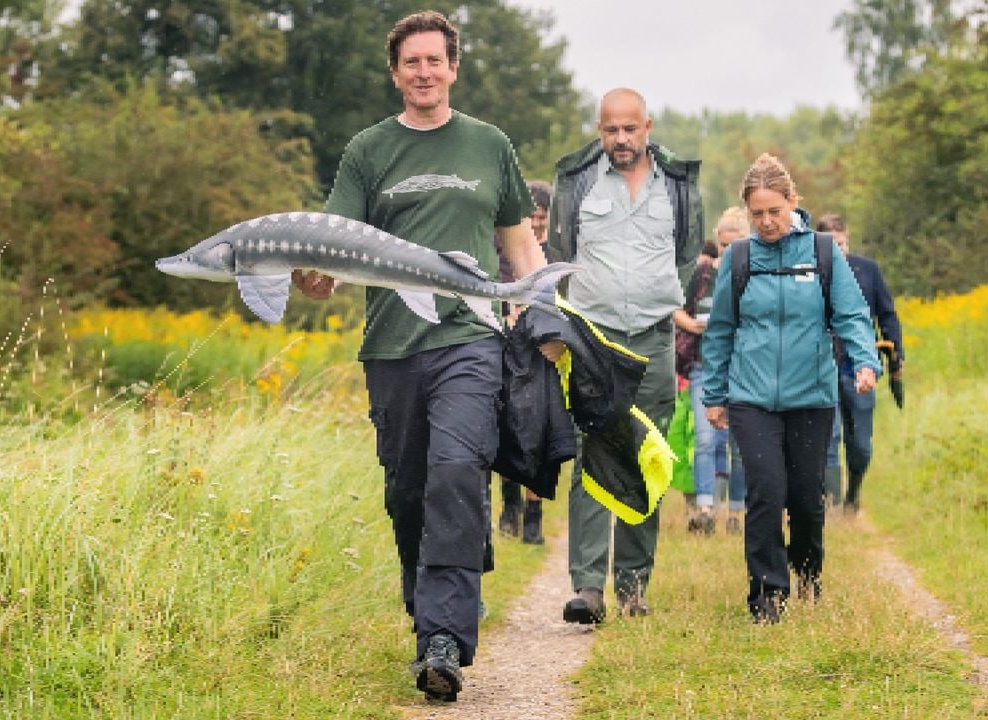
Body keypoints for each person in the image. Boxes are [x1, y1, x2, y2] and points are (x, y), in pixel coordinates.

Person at [291, 10, 548, 702]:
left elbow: (520, 244)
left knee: (457, 468)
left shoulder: (489, 145)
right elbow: (335, 244)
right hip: (392, 347)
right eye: (412, 63)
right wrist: (316, 279)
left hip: (469, 338)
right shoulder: (368, 151)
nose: (425, 72)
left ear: (453, 68)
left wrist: (536, 305)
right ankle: (443, 586)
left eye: (436, 61)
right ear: (396, 72)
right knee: (409, 492)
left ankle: (442, 640)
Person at [701, 153, 880, 624]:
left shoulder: (822, 253)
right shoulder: (739, 258)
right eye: (756, 214)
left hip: (811, 397)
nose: (765, 222)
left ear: (792, 203)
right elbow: (720, 329)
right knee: (765, 490)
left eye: (773, 211)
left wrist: (865, 361)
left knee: (804, 497)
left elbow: (852, 314)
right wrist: (715, 395)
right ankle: (766, 597)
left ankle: (807, 572)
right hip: (751, 398)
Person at [548, 88, 702, 623]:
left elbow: (687, 255)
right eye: (611, 129)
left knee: (648, 455)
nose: (621, 139)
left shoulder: (678, 187)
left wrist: (663, 298)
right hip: (595, 337)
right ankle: (587, 588)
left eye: (630, 129)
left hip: (654, 339)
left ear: (647, 127)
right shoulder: (578, 181)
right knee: (593, 451)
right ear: (600, 129)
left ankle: (634, 587)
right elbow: (559, 255)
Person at [815, 214, 905, 511]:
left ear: (847, 239)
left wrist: (896, 355)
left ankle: (853, 493)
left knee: (861, 444)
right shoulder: (810, 273)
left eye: (840, 244)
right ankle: (831, 504)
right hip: (822, 366)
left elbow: (887, 314)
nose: (837, 251)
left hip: (859, 366)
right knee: (828, 437)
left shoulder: (868, 271)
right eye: (830, 246)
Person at [676, 207, 751, 535]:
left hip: (745, 369)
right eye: (722, 246)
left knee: (740, 444)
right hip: (704, 366)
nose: (726, 253)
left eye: (734, 246)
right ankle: (705, 508)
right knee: (706, 439)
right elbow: (673, 307)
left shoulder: (755, 276)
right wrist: (692, 325)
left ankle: (737, 511)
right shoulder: (702, 275)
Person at [497, 180, 555, 544]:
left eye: (541, 218)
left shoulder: (554, 251)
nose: (534, 225)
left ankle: (534, 515)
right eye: (529, 217)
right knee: (507, 427)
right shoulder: (501, 251)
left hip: (542, 352)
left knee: (541, 432)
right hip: (505, 344)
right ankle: (510, 506)